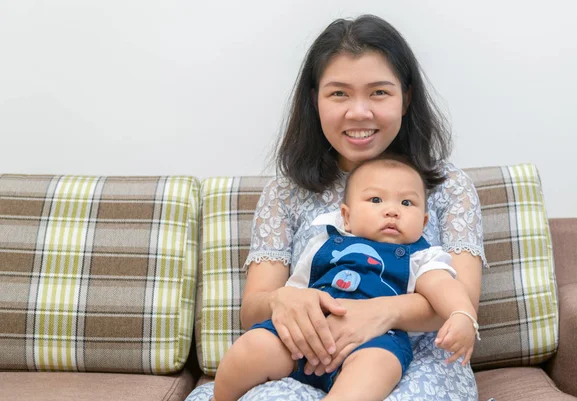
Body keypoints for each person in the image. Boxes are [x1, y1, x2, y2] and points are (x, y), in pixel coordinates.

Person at [187, 13, 486, 401]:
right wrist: (284, 300)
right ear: (316, 100)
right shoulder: (286, 192)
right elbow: (254, 311)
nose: (359, 113)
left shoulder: (449, 187)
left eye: (379, 92)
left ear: (405, 97)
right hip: (306, 354)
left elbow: (460, 302)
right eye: (339, 93)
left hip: (418, 360)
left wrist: (384, 312)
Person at [212, 156, 481, 401]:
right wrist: (293, 312)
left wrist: (461, 314)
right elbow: (295, 293)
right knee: (253, 346)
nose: (392, 210)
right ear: (347, 217)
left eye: (406, 202)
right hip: (308, 336)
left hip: (376, 340)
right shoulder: (322, 244)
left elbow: (443, 286)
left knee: (378, 366)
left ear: (423, 223)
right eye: (376, 200)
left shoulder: (421, 256)